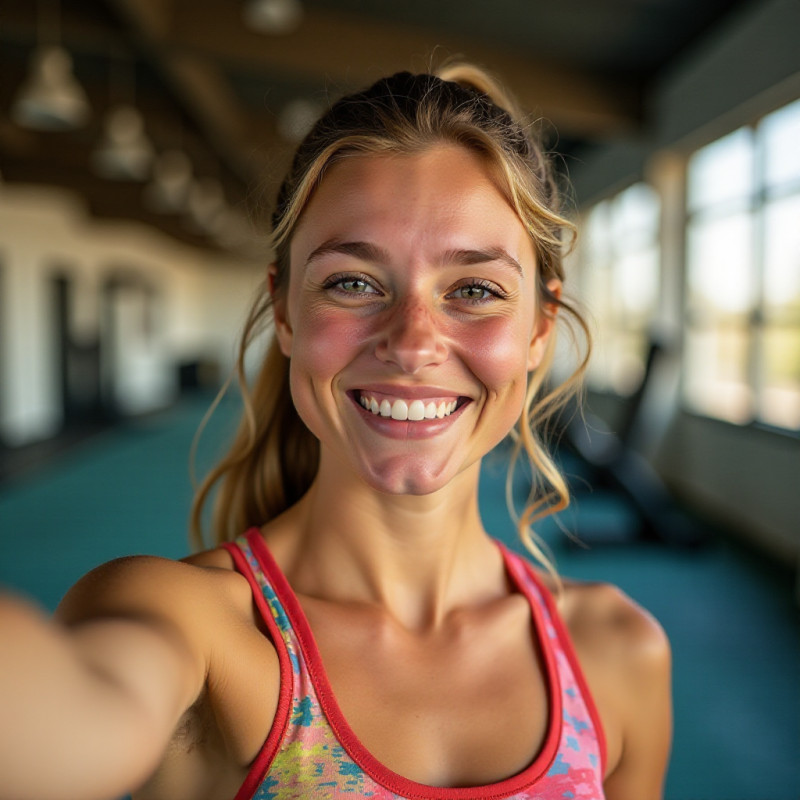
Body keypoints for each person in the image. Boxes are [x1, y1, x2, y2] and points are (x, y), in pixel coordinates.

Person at [0, 64, 671, 800]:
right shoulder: (197, 630)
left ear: (539, 328)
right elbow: (67, 720)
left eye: (475, 290)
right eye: (353, 282)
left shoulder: (616, 650)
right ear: (285, 312)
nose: (413, 344)